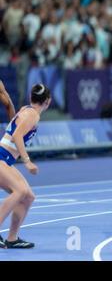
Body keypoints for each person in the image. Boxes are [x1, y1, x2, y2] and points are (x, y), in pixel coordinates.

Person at [0, 84, 51, 248]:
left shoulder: (26, 110)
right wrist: (27, 161)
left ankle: (12, 238)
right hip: (1, 158)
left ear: (31, 98)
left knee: (28, 196)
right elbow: (17, 136)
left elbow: (14, 126)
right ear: (48, 101)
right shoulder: (33, 115)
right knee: (20, 191)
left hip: (5, 160)